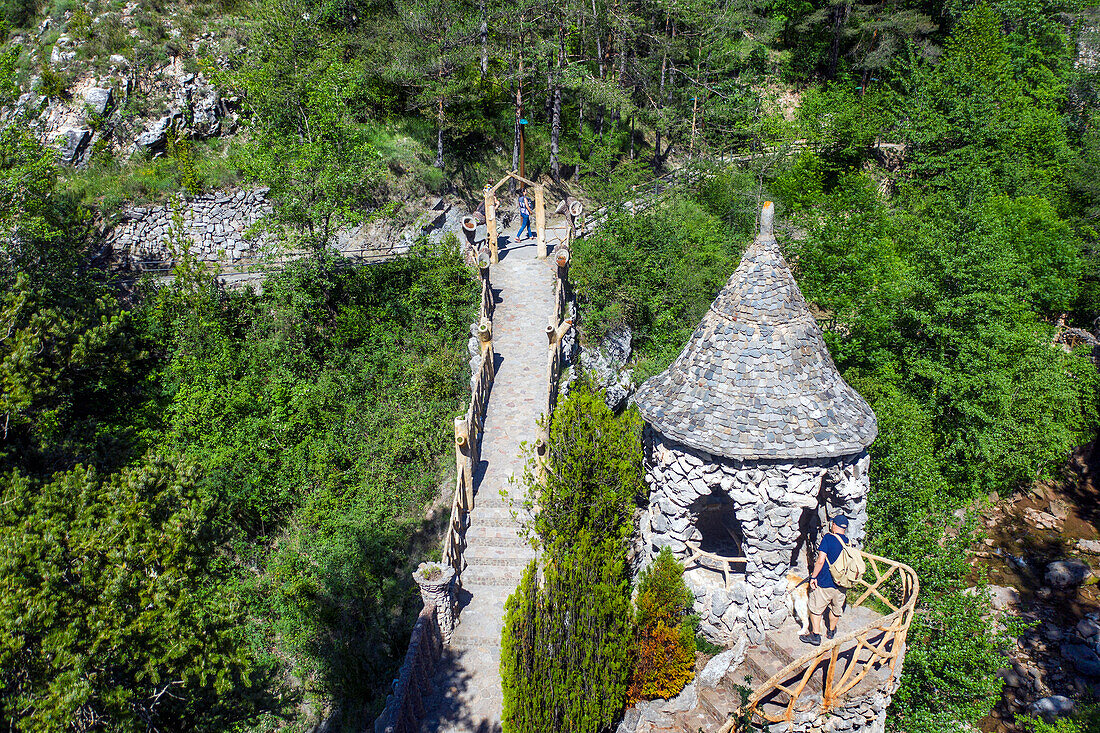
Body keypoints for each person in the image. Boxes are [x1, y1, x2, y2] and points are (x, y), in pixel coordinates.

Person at [800, 515, 850, 646]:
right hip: (841, 583)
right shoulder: (848, 542)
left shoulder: (828, 538)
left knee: (816, 609)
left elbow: (821, 560)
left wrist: (814, 577)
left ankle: (815, 635)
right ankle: (831, 631)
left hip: (825, 582)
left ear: (834, 525)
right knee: (835, 609)